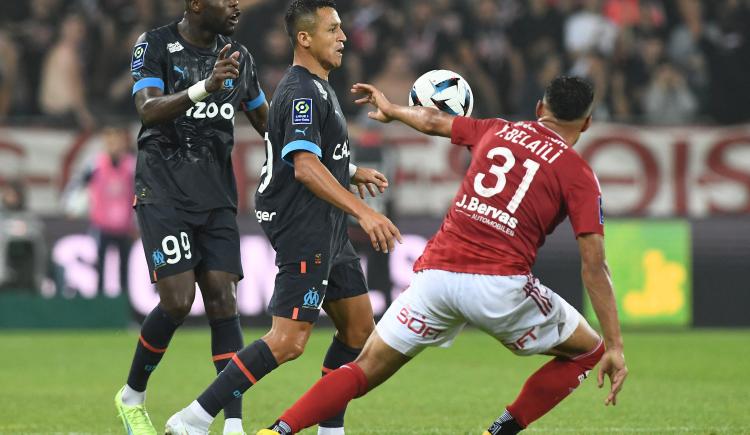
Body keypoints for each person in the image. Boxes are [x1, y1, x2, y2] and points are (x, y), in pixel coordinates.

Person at [256, 76, 629, 435]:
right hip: (500, 286)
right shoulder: (579, 175)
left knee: (362, 370)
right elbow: (594, 266)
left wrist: (393, 109)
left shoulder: (497, 129)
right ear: (587, 123)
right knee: (587, 351)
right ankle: (497, 432)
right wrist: (614, 345)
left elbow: (434, 119)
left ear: (539, 108)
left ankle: (276, 431)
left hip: (436, 277)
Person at [164, 1, 401, 434]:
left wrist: (350, 170)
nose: (343, 37)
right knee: (288, 342)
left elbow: (300, 148)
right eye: (333, 30)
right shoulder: (301, 92)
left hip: (326, 223)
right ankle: (193, 418)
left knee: (358, 328)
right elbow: (305, 167)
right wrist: (365, 212)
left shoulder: (319, 87)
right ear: (305, 38)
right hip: (303, 224)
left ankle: (331, 429)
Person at [113, 1, 269, 434]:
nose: (237, 5)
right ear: (197, 4)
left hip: (217, 194)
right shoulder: (155, 44)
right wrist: (204, 86)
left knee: (223, 297)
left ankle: (233, 424)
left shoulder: (240, 57)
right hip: (163, 190)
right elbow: (147, 109)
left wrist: (325, 160)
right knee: (178, 301)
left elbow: (265, 122)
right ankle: (132, 396)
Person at [85, 126, 136, 296]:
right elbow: (78, 187)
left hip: (124, 226)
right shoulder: (95, 165)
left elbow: (140, 192)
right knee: (98, 268)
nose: (114, 145)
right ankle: (99, 307)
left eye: (117, 141)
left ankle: (124, 310)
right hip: (101, 225)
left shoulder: (131, 165)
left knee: (125, 269)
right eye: (110, 141)